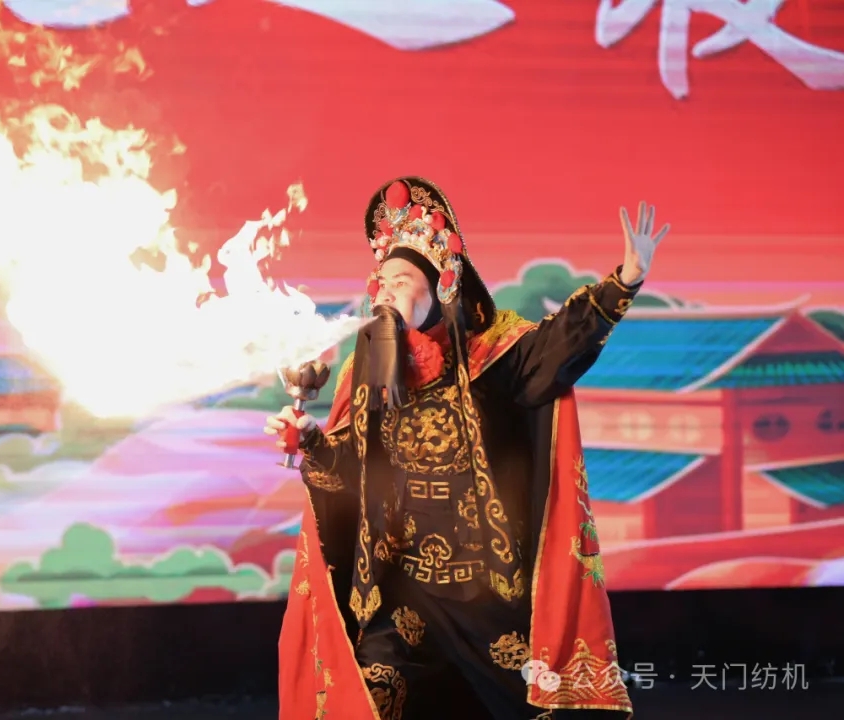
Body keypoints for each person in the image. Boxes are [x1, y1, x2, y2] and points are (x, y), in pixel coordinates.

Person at [267, 177, 669, 720]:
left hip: (488, 597)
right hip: (404, 593)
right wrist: (311, 443)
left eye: (402, 280)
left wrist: (626, 281)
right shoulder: (366, 372)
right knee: (372, 693)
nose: (386, 292)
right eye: (381, 282)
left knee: (541, 705)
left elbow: (560, 345)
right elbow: (348, 478)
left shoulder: (494, 356)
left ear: (441, 286)